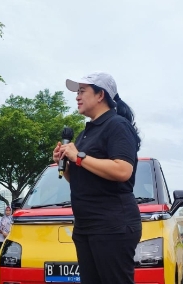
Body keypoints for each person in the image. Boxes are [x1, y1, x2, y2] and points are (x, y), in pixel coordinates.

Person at [52, 72, 142, 284]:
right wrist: (64, 163)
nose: (77, 96)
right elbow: (80, 180)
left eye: (82, 91)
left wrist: (79, 156)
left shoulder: (117, 125)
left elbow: (123, 171)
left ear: (100, 95)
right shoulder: (86, 133)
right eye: (77, 92)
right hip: (86, 227)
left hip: (112, 226)